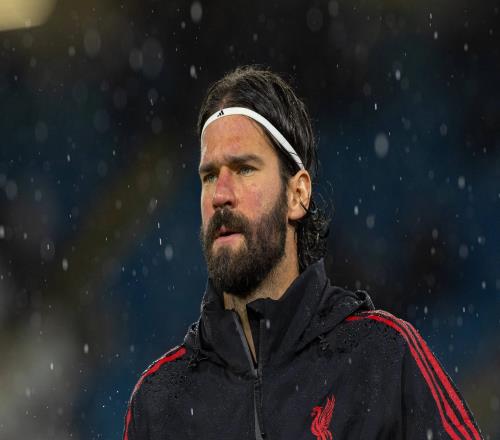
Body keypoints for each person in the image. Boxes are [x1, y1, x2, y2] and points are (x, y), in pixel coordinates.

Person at [123, 66, 482, 439]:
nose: (220, 195)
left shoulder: (383, 358)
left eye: (244, 169)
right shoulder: (158, 404)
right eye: (210, 176)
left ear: (297, 195)